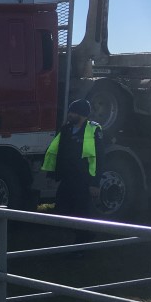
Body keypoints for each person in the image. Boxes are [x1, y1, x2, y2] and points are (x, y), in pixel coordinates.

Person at [42, 98, 102, 236]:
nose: (69, 115)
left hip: (83, 181)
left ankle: (81, 245)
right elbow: (57, 152)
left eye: (72, 112)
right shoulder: (66, 129)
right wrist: (51, 175)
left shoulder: (93, 131)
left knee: (82, 214)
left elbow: (99, 158)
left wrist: (94, 183)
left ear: (81, 114)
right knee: (61, 211)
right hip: (67, 180)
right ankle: (65, 242)